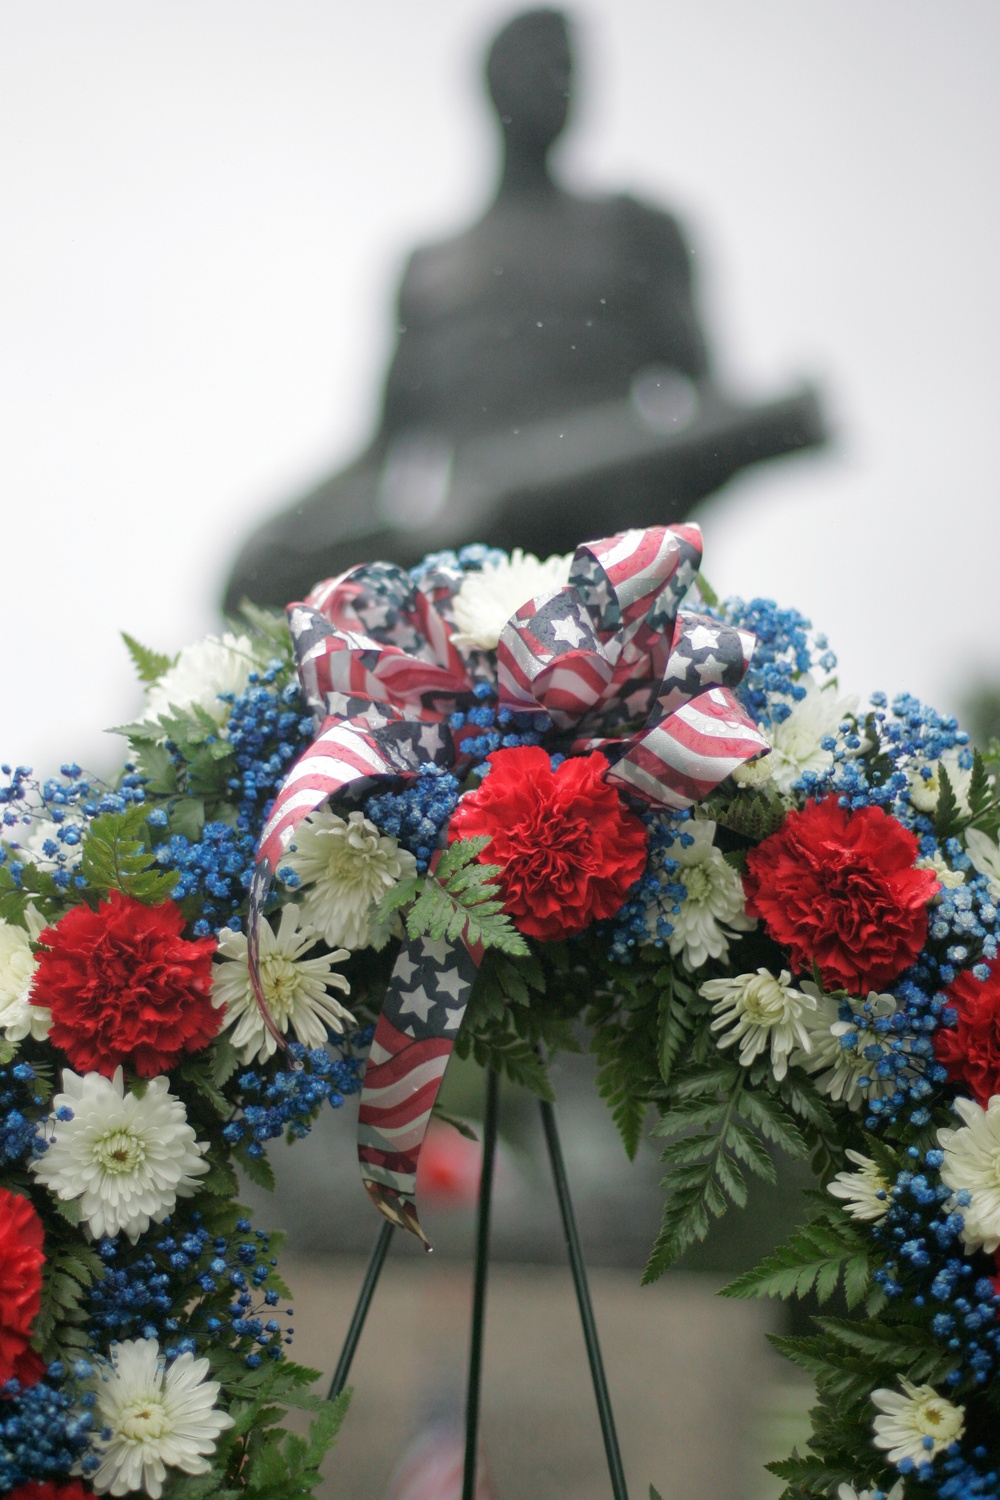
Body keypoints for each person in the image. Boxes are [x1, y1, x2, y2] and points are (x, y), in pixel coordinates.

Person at [224, 8, 823, 612]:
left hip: (611, 575)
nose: (557, 85)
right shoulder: (430, 267)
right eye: (537, 67)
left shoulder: (635, 233)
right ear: (492, 85)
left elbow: (705, 419)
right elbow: (386, 448)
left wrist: (636, 514)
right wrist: (280, 529)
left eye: (569, 70)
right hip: (465, 590)